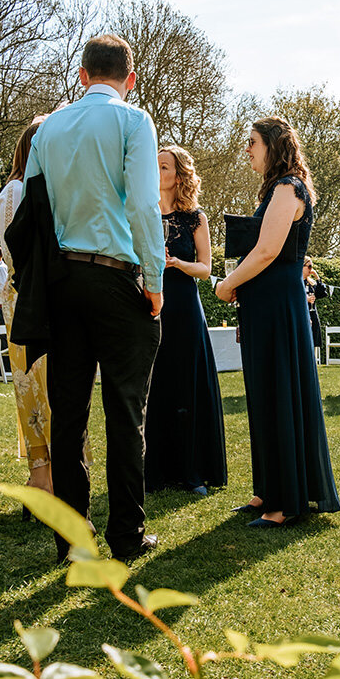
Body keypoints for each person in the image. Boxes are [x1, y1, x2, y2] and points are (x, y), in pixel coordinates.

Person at [23, 35, 164, 561]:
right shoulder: (134, 121)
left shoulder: (48, 128)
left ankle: (71, 541)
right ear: (130, 79)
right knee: (125, 412)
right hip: (116, 279)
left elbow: (32, 214)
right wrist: (155, 282)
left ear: (81, 75)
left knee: (69, 415)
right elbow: (146, 208)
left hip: (61, 284)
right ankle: (127, 535)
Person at [215, 116, 340, 526]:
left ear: (273, 145)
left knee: (279, 393)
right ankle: (266, 491)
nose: (247, 149)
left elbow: (268, 251)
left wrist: (227, 283)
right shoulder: (275, 189)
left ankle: (285, 503)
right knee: (263, 395)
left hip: (278, 306)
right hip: (262, 304)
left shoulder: (288, 188)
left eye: (252, 142)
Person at [143, 145, 227, 496]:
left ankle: (193, 471)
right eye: (155, 165)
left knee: (187, 383)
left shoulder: (195, 217)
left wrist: (176, 262)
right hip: (151, 303)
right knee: (156, 385)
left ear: (179, 176)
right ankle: (157, 472)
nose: (157, 171)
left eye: (164, 166)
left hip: (185, 303)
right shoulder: (143, 213)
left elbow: (206, 269)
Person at [0, 119, 60, 498]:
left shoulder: (23, 188)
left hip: (24, 296)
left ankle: (46, 472)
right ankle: (44, 475)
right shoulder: (18, 190)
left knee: (38, 385)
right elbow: (19, 249)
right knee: (37, 384)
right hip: (28, 296)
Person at [302, 256, 328, 359]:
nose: (311, 269)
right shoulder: (296, 282)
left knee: (312, 342)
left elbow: (322, 293)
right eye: (309, 266)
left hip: (312, 314)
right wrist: (305, 299)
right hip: (302, 315)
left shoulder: (311, 283)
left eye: (312, 267)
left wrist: (317, 277)